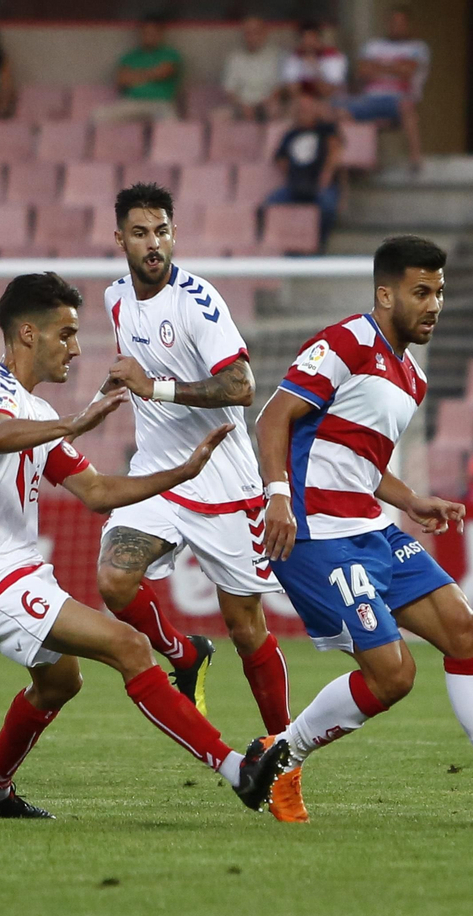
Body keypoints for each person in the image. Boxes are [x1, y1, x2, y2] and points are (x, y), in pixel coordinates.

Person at [254, 235, 473, 825]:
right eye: (421, 292)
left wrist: (411, 499)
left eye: (439, 292)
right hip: (313, 532)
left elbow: (359, 460)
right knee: (393, 675)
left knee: (466, 631)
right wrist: (278, 496)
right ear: (386, 295)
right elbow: (273, 417)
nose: (434, 305)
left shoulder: (412, 376)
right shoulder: (347, 341)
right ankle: (283, 755)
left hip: (370, 527)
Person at [0, 271, 287, 819]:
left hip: (19, 572)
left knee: (59, 683)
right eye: (66, 334)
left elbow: (98, 492)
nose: (76, 349)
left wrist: (182, 472)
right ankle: (237, 771)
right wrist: (75, 422)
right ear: (28, 333)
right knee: (130, 647)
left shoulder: (37, 415)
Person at [88, 183, 303, 822]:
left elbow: (241, 386)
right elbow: (133, 373)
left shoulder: (198, 301)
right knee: (114, 578)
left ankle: (284, 764)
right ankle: (184, 654)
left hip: (224, 481)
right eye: (140, 233)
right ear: (120, 239)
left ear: (173, 234)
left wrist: (153, 386)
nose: (153, 244)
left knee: (246, 628)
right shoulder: (115, 298)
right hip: (158, 475)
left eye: (162, 231)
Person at [343, 7, 430, 170]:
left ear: (408, 25)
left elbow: (407, 72)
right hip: (369, 98)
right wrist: (395, 67)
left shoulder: (417, 47)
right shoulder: (373, 46)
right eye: (393, 22)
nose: (396, 26)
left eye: (401, 23)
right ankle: (356, 163)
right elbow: (362, 71)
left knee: (406, 107)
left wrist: (378, 66)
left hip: (398, 99)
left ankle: (415, 159)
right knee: (341, 110)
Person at [266, 90, 343, 245]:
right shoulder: (291, 134)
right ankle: (281, 244)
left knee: (327, 207)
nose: (303, 113)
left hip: (320, 185)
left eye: (306, 109)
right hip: (296, 186)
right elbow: (280, 158)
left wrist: (326, 175)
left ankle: (318, 244)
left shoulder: (326, 129)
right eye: (300, 109)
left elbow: (335, 151)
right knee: (270, 204)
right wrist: (294, 175)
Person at [93, 16, 182, 123]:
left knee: (171, 126)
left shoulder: (170, 54)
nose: (149, 36)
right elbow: (121, 79)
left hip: (160, 103)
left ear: (160, 34)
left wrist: (134, 76)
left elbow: (163, 72)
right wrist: (152, 74)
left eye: (153, 33)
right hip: (133, 102)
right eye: (145, 33)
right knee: (98, 117)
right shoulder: (130, 57)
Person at [222, 16, 283, 121]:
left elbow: (279, 88)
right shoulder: (235, 58)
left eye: (256, 32)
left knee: (274, 109)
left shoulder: (276, 56)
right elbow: (229, 90)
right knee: (219, 117)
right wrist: (242, 106)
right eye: (248, 33)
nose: (252, 37)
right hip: (241, 106)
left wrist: (264, 104)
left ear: (264, 33)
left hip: (267, 105)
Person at [281, 21, 349, 100]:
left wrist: (314, 67)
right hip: (302, 100)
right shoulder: (294, 57)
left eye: (312, 39)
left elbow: (329, 90)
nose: (309, 43)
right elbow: (291, 88)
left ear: (319, 39)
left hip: (331, 100)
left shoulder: (334, 56)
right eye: (305, 39)